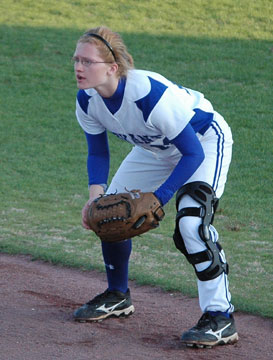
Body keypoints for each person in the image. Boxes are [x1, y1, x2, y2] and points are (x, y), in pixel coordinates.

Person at [72, 26, 238, 348]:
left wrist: (159, 198)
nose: (79, 68)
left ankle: (220, 317)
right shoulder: (87, 100)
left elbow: (192, 153)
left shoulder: (148, 94)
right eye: (76, 60)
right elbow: (97, 151)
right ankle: (118, 294)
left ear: (112, 68)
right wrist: (95, 198)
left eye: (87, 61)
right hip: (156, 150)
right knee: (108, 214)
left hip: (204, 141)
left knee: (192, 225)